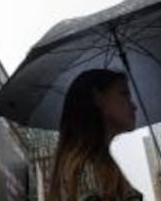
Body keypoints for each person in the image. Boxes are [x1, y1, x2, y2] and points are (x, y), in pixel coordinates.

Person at [48, 69, 143, 201]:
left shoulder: (100, 165)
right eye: (124, 94)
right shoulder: (85, 168)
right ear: (97, 98)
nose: (134, 106)